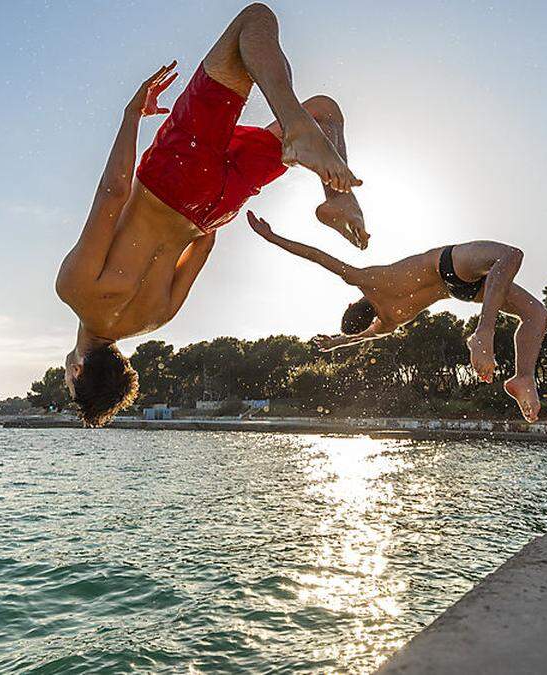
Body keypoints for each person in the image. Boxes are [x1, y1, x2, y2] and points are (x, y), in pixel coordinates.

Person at [54, 4, 367, 427]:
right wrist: (131, 116)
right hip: (171, 177)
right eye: (68, 384)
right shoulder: (76, 291)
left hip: (214, 208)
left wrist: (202, 205)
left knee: (324, 112)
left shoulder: (154, 318)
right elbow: (112, 195)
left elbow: (205, 242)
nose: (64, 379)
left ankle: (339, 197)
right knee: (255, 21)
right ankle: (299, 133)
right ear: (77, 371)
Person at [247, 211, 547, 422]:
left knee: (536, 315)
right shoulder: (366, 281)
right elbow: (319, 257)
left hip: (463, 291)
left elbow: (363, 336)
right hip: (447, 265)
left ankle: (523, 377)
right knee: (509, 256)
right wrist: (272, 237)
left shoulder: (389, 322)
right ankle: (483, 333)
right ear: (356, 302)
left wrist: (336, 343)